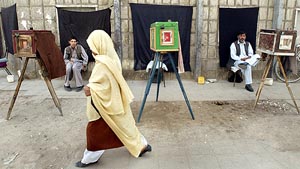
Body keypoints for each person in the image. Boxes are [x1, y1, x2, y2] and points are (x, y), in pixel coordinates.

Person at [75, 30, 151, 168]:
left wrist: (90, 88)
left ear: (100, 45)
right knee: (125, 125)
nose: (91, 49)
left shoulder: (103, 63)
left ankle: (89, 158)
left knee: (94, 131)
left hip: (104, 104)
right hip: (115, 100)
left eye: (93, 45)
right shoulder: (112, 58)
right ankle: (142, 145)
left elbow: (104, 86)